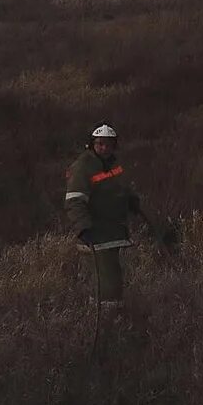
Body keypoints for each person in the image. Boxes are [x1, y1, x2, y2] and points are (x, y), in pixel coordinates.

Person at [64, 124, 140, 310]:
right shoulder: (83, 167)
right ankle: (107, 321)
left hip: (112, 233)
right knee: (107, 285)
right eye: (100, 144)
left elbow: (119, 188)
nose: (104, 148)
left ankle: (111, 317)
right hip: (95, 235)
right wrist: (83, 228)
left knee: (112, 278)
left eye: (108, 144)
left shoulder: (114, 164)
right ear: (92, 144)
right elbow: (74, 201)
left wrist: (130, 200)